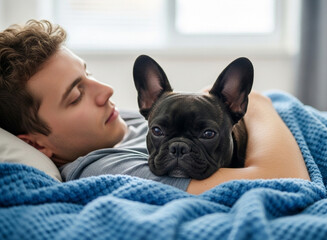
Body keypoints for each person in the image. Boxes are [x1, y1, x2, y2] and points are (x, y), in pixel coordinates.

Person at [0, 20, 310, 195]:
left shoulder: (116, 125)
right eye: (76, 95)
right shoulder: (107, 167)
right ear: (36, 144)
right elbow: (285, 181)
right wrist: (257, 104)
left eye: (88, 74)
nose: (106, 90)